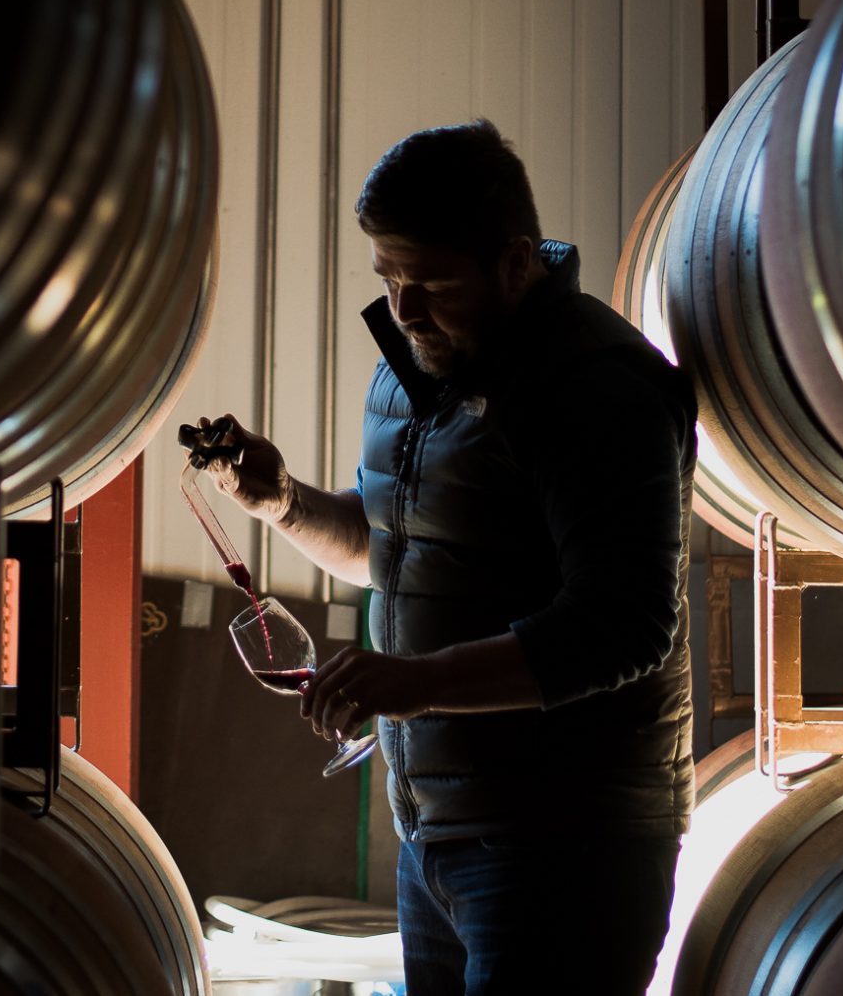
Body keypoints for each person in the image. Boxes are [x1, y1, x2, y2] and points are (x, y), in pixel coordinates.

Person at [181, 119, 698, 996]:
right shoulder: (416, 367)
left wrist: (413, 683)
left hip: (567, 844)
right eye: (387, 276)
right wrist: (284, 502)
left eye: (428, 282)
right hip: (438, 831)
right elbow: (398, 554)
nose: (402, 307)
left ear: (515, 262)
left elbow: (624, 623)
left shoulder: (599, 388)